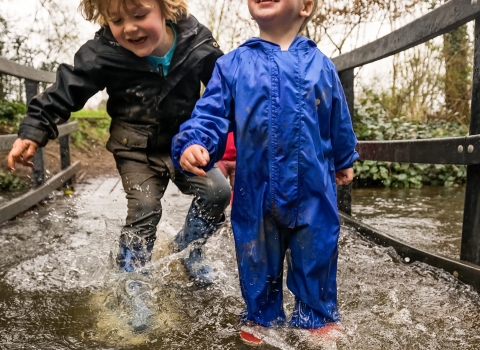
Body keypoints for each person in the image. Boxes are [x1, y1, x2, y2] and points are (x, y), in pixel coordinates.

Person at [171, 0, 359, 344]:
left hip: (313, 189)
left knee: (317, 250)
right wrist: (194, 141)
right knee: (256, 255)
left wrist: (345, 159)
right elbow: (211, 113)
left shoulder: (322, 66)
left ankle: (316, 315)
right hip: (255, 190)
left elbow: (338, 120)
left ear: (306, 6)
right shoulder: (233, 65)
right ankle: (262, 314)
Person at [7, 0, 231, 288]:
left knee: (218, 191)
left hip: (186, 144)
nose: (129, 28)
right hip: (135, 148)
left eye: (140, 15)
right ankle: (132, 277)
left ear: (166, 8)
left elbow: (225, 89)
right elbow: (67, 88)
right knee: (146, 208)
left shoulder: (196, 41)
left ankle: (189, 248)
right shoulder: (104, 52)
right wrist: (34, 128)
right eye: (116, 20)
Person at [215, 132, 236, 204]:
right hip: (219, 159)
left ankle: (235, 213)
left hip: (239, 159)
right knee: (216, 191)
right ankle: (218, 213)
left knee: (239, 192)